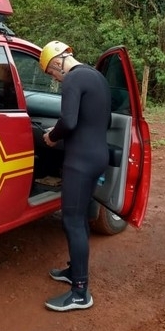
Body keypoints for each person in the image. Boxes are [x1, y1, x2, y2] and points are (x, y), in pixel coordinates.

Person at [39, 40, 111, 312]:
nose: (55, 79)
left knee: (72, 221)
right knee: (79, 218)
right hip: (97, 156)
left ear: (58, 62)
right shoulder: (96, 77)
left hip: (80, 161)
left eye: (51, 73)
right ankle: (73, 271)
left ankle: (80, 292)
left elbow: (68, 122)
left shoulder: (73, 79)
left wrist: (51, 137)